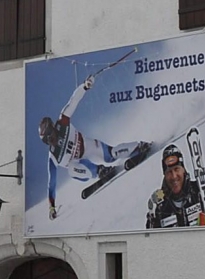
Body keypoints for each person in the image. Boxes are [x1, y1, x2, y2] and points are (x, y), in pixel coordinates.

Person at [37, 75, 152, 219]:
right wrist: (51, 206)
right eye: (47, 141)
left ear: (53, 128)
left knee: (112, 155)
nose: (51, 141)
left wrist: (85, 86)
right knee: (72, 169)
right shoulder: (53, 156)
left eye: (51, 136)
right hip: (81, 166)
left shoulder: (63, 122)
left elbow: (74, 101)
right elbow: (51, 183)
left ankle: (139, 147)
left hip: (89, 147)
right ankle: (99, 171)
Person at [144, 145, 205, 228]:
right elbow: (152, 239)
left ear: (183, 170)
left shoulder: (199, 190)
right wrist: (152, 216)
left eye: (176, 169)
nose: (174, 176)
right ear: (164, 175)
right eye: (169, 172)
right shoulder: (160, 205)